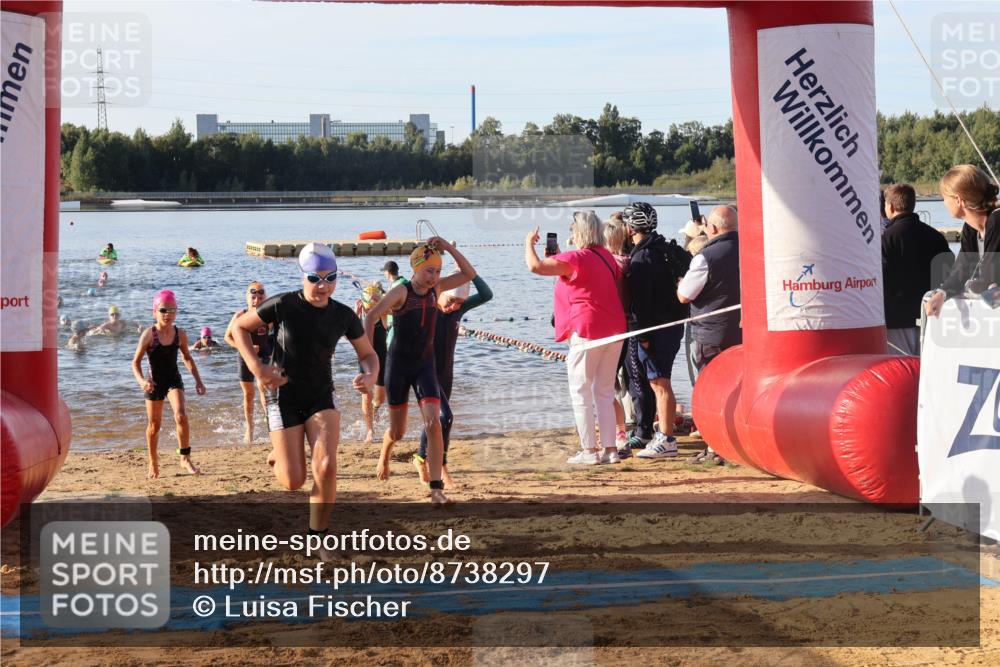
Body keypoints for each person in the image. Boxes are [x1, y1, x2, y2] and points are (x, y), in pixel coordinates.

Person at [231, 244, 378, 537]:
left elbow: (368, 354)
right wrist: (258, 369)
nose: (323, 286)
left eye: (330, 277)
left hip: (321, 395)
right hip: (282, 396)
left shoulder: (344, 315)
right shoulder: (283, 304)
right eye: (315, 279)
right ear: (303, 276)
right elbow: (239, 329)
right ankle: (278, 454)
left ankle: (318, 536)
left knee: (326, 467)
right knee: (293, 481)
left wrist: (370, 375)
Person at [365, 239, 475, 504]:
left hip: (425, 366)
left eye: (437, 272)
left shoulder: (437, 288)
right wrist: (368, 362)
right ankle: (385, 452)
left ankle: (436, 489)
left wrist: (448, 248)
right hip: (398, 367)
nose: (433, 277)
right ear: (415, 268)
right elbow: (370, 318)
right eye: (428, 271)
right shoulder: (400, 292)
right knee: (398, 431)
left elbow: (469, 274)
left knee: (433, 423)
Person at [525, 211, 627, 465]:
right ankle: (610, 449)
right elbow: (578, 273)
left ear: (579, 232)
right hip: (614, 329)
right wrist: (558, 256)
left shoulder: (576, 258)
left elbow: (535, 267)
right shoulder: (606, 257)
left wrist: (528, 244)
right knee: (604, 392)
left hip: (587, 330)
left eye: (572, 230)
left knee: (580, 391)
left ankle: (589, 451)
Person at [621, 202, 689, 460]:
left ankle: (666, 438)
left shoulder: (642, 257)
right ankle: (664, 435)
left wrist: (643, 337)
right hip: (674, 325)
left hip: (656, 330)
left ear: (630, 228)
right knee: (661, 382)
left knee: (659, 383)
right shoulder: (666, 248)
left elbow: (639, 302)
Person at [413, 272, 494, 486]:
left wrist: (469, 273)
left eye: (459, 303)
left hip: (446, 373)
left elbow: (486, 294)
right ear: (439, 294)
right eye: (450, 301)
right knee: (445, 417)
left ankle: (421, 459)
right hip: (426, 372)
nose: (453, 307)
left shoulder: (459, 310)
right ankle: (439, 467)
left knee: (438, 421)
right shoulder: (428, 308)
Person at [677, 205, 742, 465]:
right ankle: (733, 444)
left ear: (712, 228)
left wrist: (681, 283)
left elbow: (684, 295)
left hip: (709, 334)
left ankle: (715, 447)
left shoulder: (706, 256)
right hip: (741, 333)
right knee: (737, 390)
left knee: (707, 391)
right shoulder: (751, 249)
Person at [131, 290, 205, 479]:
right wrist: (141, 381)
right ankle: (153, 461)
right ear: (154, 311)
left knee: (181, 415)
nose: (168, 314)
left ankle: (185, 457)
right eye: (163, 310)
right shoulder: (149, 335)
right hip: (153, 383)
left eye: (172, 310)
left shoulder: (180, 334)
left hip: (173, 379)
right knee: (154, 425)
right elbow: (135, 362)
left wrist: (198, 381)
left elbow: (187, 358)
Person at [881, 184, 953, 354]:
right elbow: (951, 270)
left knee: (901, 372)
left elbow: (880, 276)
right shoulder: (935, 236)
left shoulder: (885, 239)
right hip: (929, 315)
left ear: (890, 207)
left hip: (896, 320)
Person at [925, 164, 1000, 317]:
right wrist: (941, 294)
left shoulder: (996, 220)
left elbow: (989, 274)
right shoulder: (971, 228)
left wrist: (973, 284)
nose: (944, 203)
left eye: (945, 198)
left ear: (958, 200)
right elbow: (961, 270)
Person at [225, 281, 273, 445]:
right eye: (253, 296)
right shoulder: (240, 315)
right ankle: (250, 428)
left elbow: (277, 333)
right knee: (248, 394)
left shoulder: (268, 316)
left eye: (260, 296)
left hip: (264, 355)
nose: (256, 300)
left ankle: (271, 424)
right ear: (248, 298)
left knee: (263, 386)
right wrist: (245, 346)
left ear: (265, 298)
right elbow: (228, 337)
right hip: (244, 357)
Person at [604, 217, 632, 451]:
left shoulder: (609, 265)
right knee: (611, 384)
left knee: (606, 386)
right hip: (623, 328)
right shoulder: (627, 261)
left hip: (608, 329)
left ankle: (617, 432)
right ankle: (619, 429)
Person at [354, 281, 388, 443]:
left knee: (380, 398)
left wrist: (381, 299)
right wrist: (356, 313)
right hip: (365, 360)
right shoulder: (359, 316)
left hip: (382, 359)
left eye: (374, 306)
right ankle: (369, 430)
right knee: (366, 395)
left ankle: (375, 411)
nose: (370, 310)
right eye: (369, 307)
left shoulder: (382, 316)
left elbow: (396, 308)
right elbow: (349, 336)